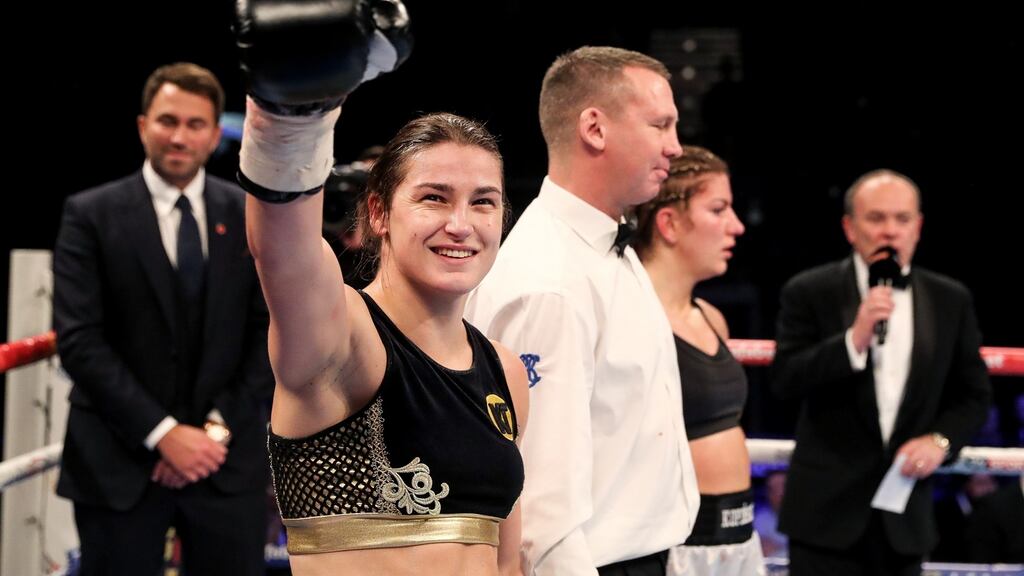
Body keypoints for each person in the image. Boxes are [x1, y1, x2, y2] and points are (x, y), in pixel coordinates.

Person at [232, 2, 529, 575]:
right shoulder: (344, 335)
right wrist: (290, 121)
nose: (461, 224)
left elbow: (508, 560)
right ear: (379, 212)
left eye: (483, 202)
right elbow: (282, 251)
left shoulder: (506, 372)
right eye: (434, 197)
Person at [465, 46, 698, 576]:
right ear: (594, 128)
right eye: (660, 125)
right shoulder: (550, 281)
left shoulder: (605, 248)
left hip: (642, 557)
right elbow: (542, 514)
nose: (675, 147)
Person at [52, 62, 274, 575]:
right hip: (119, 462)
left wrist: (211, 434)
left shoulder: (248, 215)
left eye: (195, 124)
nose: (179, 137)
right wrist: (164, 434)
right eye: (167, 121)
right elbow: (79, 340)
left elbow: (268, 334)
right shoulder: (89, 214)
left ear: (215, 135)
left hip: (224, 463)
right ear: (142, 126)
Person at [771, 169, 993, 576]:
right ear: (849, 228)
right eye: (876, 218)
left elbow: (974, 395)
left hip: (905, 517)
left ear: (917, 228)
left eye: (901, 219)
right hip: (823, 517)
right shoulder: (810, 291)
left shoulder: (949, 299)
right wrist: (852, 341)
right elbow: (785, 380)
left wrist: (941, 440)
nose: (890, 230)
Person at [631, 145, 763, 575]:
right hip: (672, 545)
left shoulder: (711, 318)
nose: (736, 226)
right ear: (669, 223)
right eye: (718, 209)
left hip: (740, 537)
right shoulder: (629, 319)